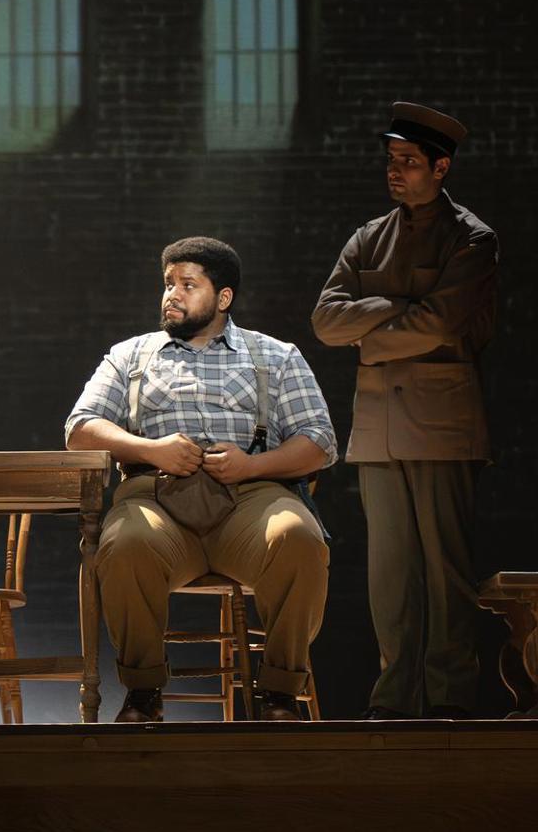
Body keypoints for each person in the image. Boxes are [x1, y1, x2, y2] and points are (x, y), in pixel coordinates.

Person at [67, 238, 336, 722]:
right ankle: (143, 692)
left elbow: (319, 441)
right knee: (124, 544)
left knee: (298, 537)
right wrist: (153, 450)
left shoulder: (275, 356)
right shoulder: (132, 355)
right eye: (168, 283)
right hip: (157, 497)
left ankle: (279, 691)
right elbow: (81, 427)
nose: (172, 294)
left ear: (223, 297)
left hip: (249, 498)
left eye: (188, 285)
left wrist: (251, 466)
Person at [311, 103, 498, 719]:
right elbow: (324, 320)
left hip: (441, 426)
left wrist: (370, 329)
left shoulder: (470, 238)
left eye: (409, 162)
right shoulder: (369, 236)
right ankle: (392, 707)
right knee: (389, 581)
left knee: (447, 579)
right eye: (392, 160)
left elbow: (443, 321)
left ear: (441, 168)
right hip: (378, 433)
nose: (396, 172)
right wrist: (395, 306)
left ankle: (450, 708)